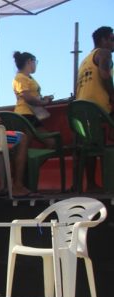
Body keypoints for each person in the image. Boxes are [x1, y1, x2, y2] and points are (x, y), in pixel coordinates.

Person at [11, 51, 56, 195]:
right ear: (30, 61)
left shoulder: (28, 78)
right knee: (23, 149)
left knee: (52, 143)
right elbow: (28, 98)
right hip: (24, 116)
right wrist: (44, 101)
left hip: (33, 117)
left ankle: (28, 171)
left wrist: (44, 99)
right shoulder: (20, 78)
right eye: (35, 61)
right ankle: (18, 184)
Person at [76, 26, 114, 191]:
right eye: (112, 39)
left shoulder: (85, 60)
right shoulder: (105, 53)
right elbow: (105, 76)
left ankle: (89, 184)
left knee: (88, 146)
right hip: (98, 109)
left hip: (80, 111)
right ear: (104, 40)